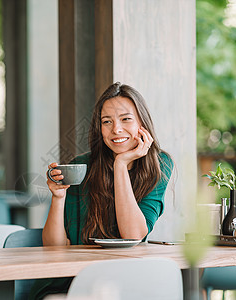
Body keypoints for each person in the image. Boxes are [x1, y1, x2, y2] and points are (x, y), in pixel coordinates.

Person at [30, 82, 174, 299]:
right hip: (73, 282)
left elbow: (133, 234)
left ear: (142, 124)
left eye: (126, 119)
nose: (116, 129)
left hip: (128, 280)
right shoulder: (81, 166)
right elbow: (55, 249)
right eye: (107, 122)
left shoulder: (159, 164)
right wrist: (58, 197)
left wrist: (120, 164)